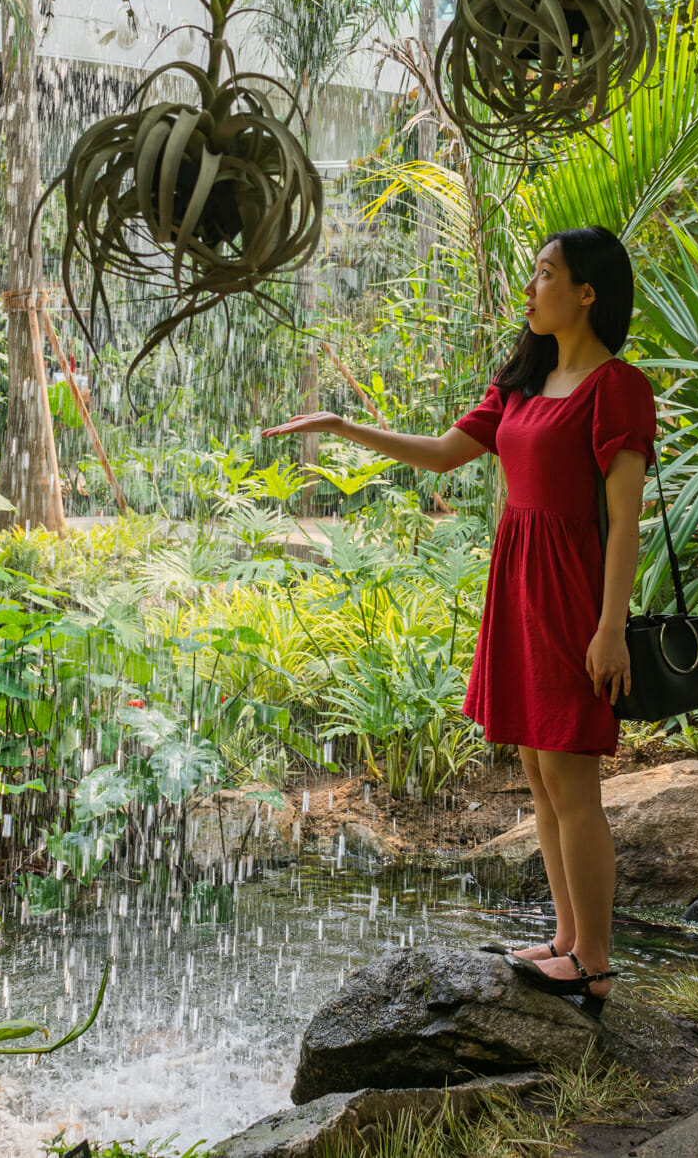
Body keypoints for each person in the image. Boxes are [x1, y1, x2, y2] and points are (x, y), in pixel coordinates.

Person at [264, 225, 654, 1019]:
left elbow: (624, 521)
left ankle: (596, 964)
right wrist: (344, 429)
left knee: (573, 779)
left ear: (586, 292)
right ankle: (566, 939)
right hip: (517, 585)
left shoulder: (617, 387)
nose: (531, 287)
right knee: (540, 778)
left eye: (545, 274)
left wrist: (610, 626)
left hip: (572, 590)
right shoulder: (522, 378)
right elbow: (444, 453)